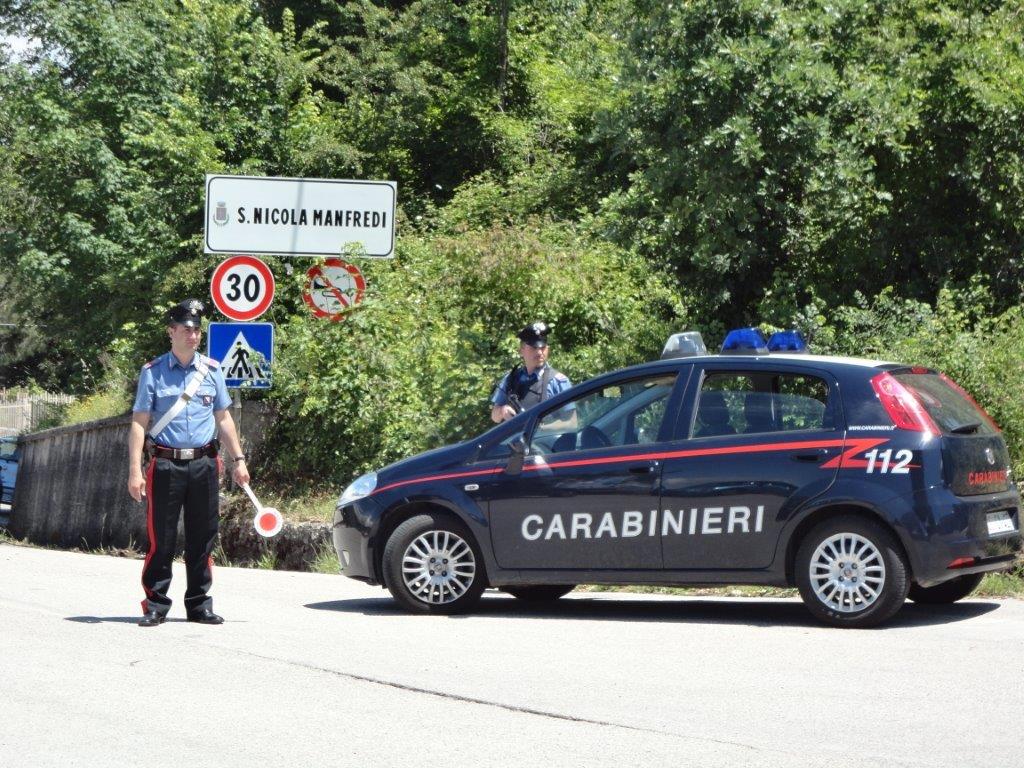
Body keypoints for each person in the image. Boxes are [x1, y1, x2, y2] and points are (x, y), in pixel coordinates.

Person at [127, 299, 249, 627]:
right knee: (161, 539)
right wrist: (135, 470)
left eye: (197, 330)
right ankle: (155, 603)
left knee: (203, 538)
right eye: (186, 329)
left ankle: (199, 605)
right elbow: (140, 422)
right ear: (171, 332)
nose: (193, 335)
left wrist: (238, 460)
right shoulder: (152, 373)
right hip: (165, 465)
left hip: (204, 465)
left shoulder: (212, 370)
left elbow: (223, 418)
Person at [490, 321, 573, 423]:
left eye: (542, 348)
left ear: (548, 349)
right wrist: (502, 411)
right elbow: (494, 417)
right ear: (521, 350)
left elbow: (572, 424)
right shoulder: (511, 378)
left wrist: (537, 430)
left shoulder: (558, 381)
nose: (539, 352)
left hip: (545, 438)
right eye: (534, 348)